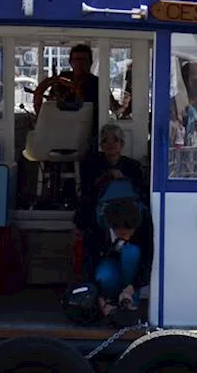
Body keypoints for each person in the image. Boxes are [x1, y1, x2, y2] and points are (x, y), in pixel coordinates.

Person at [75, 124, 149, 279]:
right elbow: (87, 191)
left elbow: (141, 192)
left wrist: (123, 178)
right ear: (101, 145)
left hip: (127, 215)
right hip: (98, 213)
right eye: (106, 141)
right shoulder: (90, 164)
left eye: (115, 140)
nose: (111, 145)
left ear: (122, 144)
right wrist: (106, 178)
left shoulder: (133, 166)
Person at [94, 197, 144, 320]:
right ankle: (111, 300)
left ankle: (130, 300)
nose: (127, 238)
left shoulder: (143, 221)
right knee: (103, 276)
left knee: (131, 251)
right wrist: (101, 301)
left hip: (132, 267)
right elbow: (89, 263)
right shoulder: (97, 227)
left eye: (130, 233)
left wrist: (132, 287)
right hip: (109, 263)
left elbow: (147, 261)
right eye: (122, 234)